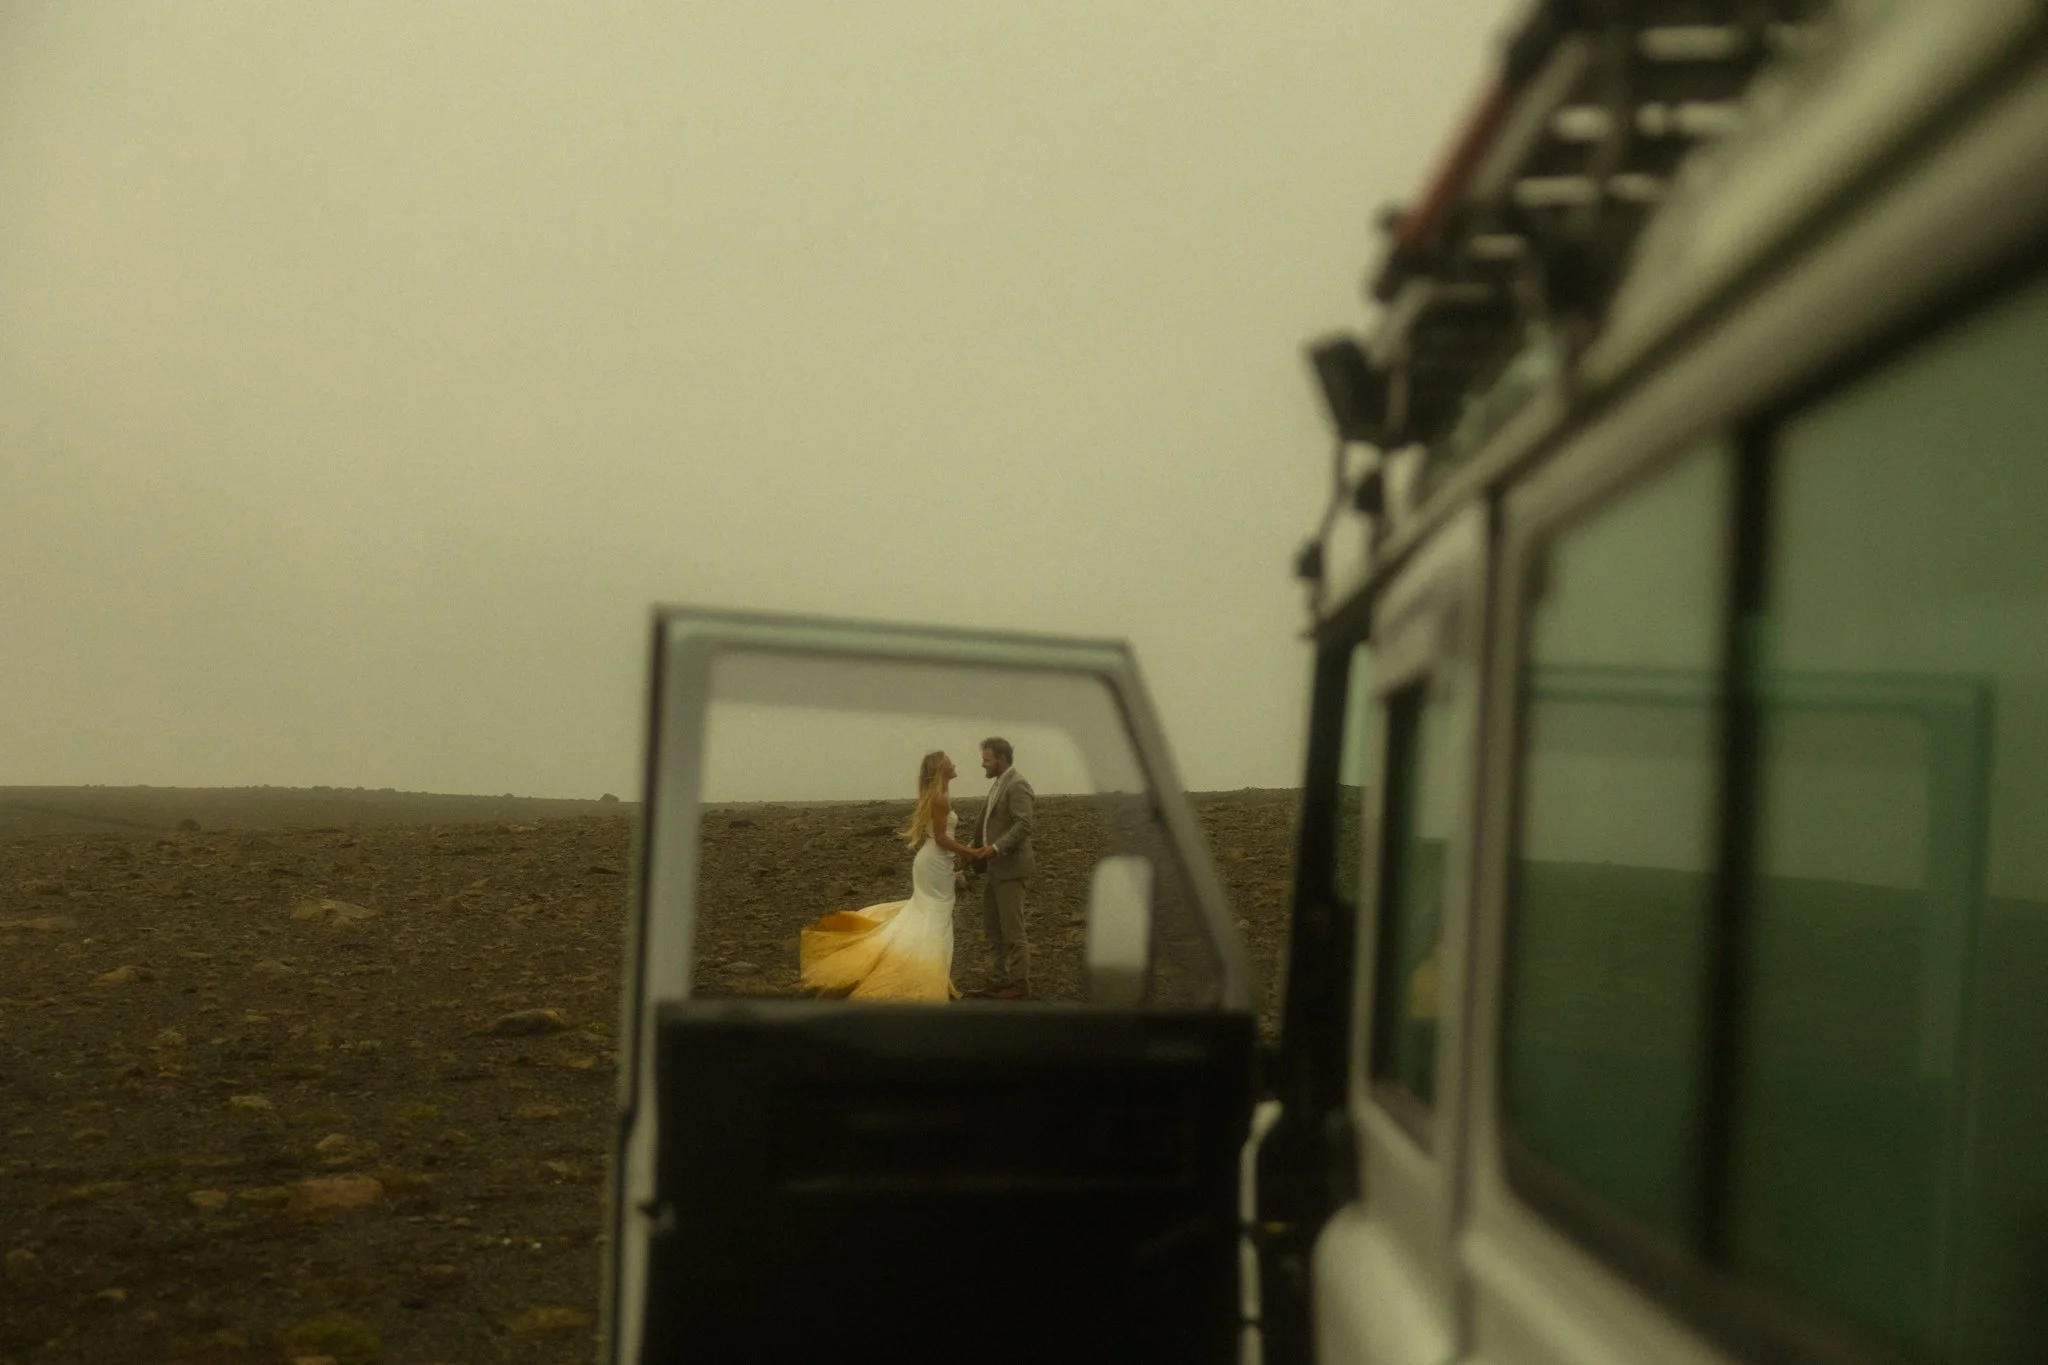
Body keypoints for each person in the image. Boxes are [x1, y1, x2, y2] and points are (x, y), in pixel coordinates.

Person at [798, 750, 977, 1002]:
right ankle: (920, 975)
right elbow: (941, 837)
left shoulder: (940, 796)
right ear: (940, 768)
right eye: (949, 760)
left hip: (937, 863)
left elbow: (941, 838)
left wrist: (959, 862)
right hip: (935, 863)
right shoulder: (940, 798)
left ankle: (927, 971)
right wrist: (971, 852)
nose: (954, 763)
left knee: (930, 915)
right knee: (934, 918)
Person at [966, 736, 1035, 999]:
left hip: (1010, 869)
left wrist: (995, 848)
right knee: (993, 929)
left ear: (1002, 758)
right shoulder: (998, 784)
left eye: (986, 759)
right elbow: (990, 825)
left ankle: (1019, 986)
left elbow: (1024, 824)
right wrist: (973, 847)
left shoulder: (1018, 784)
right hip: (994, 869)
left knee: (1013, 930)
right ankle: (1000, 980)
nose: (982, 764)